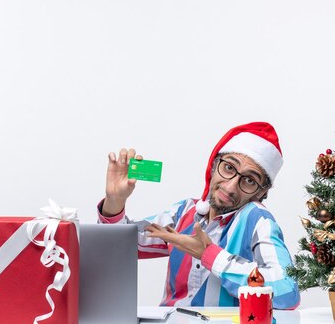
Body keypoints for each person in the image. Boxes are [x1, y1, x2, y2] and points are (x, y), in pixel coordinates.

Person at [97, 122, 300, 309]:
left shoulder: (257, 219)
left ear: (261, 193)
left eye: (249, 180)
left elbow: (287, 290)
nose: (230, 187)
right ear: (213, 165)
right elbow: (116, 249)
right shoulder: (186, 211)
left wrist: (209, 255)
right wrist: (115, 201)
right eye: (229, 167)